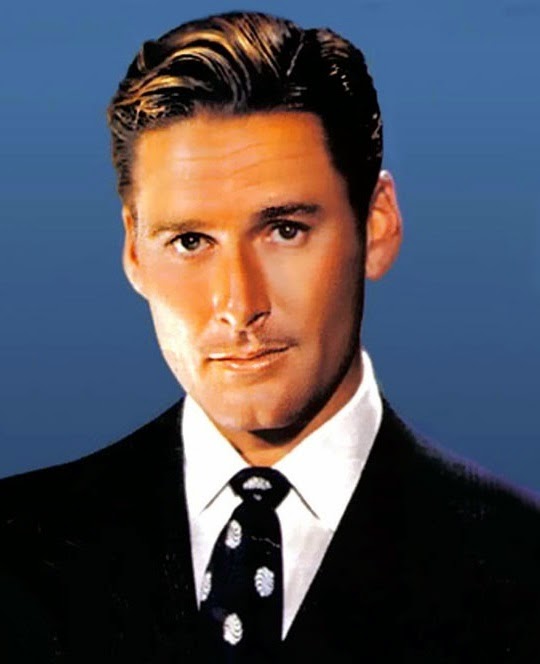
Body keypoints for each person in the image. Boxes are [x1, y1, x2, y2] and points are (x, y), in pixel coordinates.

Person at [1, 10, 539, 663]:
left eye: (285, 230)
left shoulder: (521, 566)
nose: (239, 305)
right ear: (134, 252)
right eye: (190, 241)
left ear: (377, 224)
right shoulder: (13, 550)